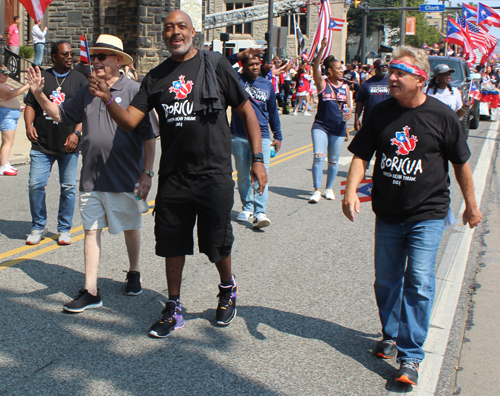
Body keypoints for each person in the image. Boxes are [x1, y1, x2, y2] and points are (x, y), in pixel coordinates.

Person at [86, 10, 266, 337]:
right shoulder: (156, 77)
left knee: (216, 243)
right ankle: (173, 306)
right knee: (172, 243)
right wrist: (106, 98)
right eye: (168, 28)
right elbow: (129, 120)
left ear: (192, 31)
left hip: (213, 175)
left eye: (181, 26)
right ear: (164, 36)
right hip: (174, 176)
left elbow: (245, 109)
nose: (175, 32)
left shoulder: (215, 64)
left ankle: (227, 287)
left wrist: (257, 158)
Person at [342, 45, 482, 386]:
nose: (391, 78)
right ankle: (391, 334)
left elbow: (461, 163)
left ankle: (411, 356)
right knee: (387, 281)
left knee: (419, 280)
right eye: (390, 72)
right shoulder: (381, 113)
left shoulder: (442, 117)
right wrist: (349, 191)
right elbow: (361, 154)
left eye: (399, 74)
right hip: (388, 212)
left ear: (420, 79)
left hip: (428, 213)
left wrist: (471, 205)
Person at [27, 34, 157, 312]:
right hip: (91, 177)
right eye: (93, 56)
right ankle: (90, 290)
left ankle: (134, 271)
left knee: (131, 227)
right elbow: (60, 113)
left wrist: (147, 172)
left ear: (118, 60)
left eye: (101, 56)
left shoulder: (135, 90)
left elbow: (149, 136)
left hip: (126, 177)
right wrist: (38, 93)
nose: (94, 61)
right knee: (90, 232)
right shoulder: (86, 91)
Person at [24, 41, 88, 245]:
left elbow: (86, 111)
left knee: (68, 187)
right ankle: (38, 226)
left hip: (68, 145)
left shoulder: (80, 79)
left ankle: (64, 228)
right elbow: (30, 104)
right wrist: (28, 126)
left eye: (71, 53)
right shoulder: (43, 77)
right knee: (35, 185)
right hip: (42, 143)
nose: (70, 57)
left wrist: (77, 133)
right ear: (54, 57)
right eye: (65, 54)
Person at [227, 54, 282, 228]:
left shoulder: (267, 84)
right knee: (243, 175)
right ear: (243, 66)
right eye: (250, 64)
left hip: (263, 136)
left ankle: (260, 212)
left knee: (260, 173)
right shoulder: (237, 80)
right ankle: (247, 206)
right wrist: (239, 55)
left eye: (257, 64)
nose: (255, 67)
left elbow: (273, 112)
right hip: (239, 136)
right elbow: (223, 63)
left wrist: (278, 135)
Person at [308, 38, 352, 204]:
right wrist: (321, 49)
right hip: (321, 126)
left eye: (342, 68)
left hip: (338, 128)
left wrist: (348, 113)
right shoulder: (322, 84)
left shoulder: (345, 87)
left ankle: (329, 188)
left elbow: (348, 106)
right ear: (330, 71)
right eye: (338, 68)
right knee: (319, 156)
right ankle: (317, 190)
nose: (342, 71)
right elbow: (314, 67)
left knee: (333, 161)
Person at [0, 66, 30, 176]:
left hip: (10, 113)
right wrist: (28, 85)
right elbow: (12, 94)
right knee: (8, 142)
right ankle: (3, 166)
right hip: (6, 115)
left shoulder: (3, 85)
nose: (7, 76)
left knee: (8, 141)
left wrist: (18, 107)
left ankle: (5, 162)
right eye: (4, 74)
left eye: (7, 74)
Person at [354, 59, 391, 131]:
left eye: (386, 65)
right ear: (375, 68)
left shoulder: (392, 82)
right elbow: (360, 102)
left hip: (387, 121)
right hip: (370, 121)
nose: (384, 67)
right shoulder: (367, 84)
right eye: (381, 66)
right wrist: (356, 118)